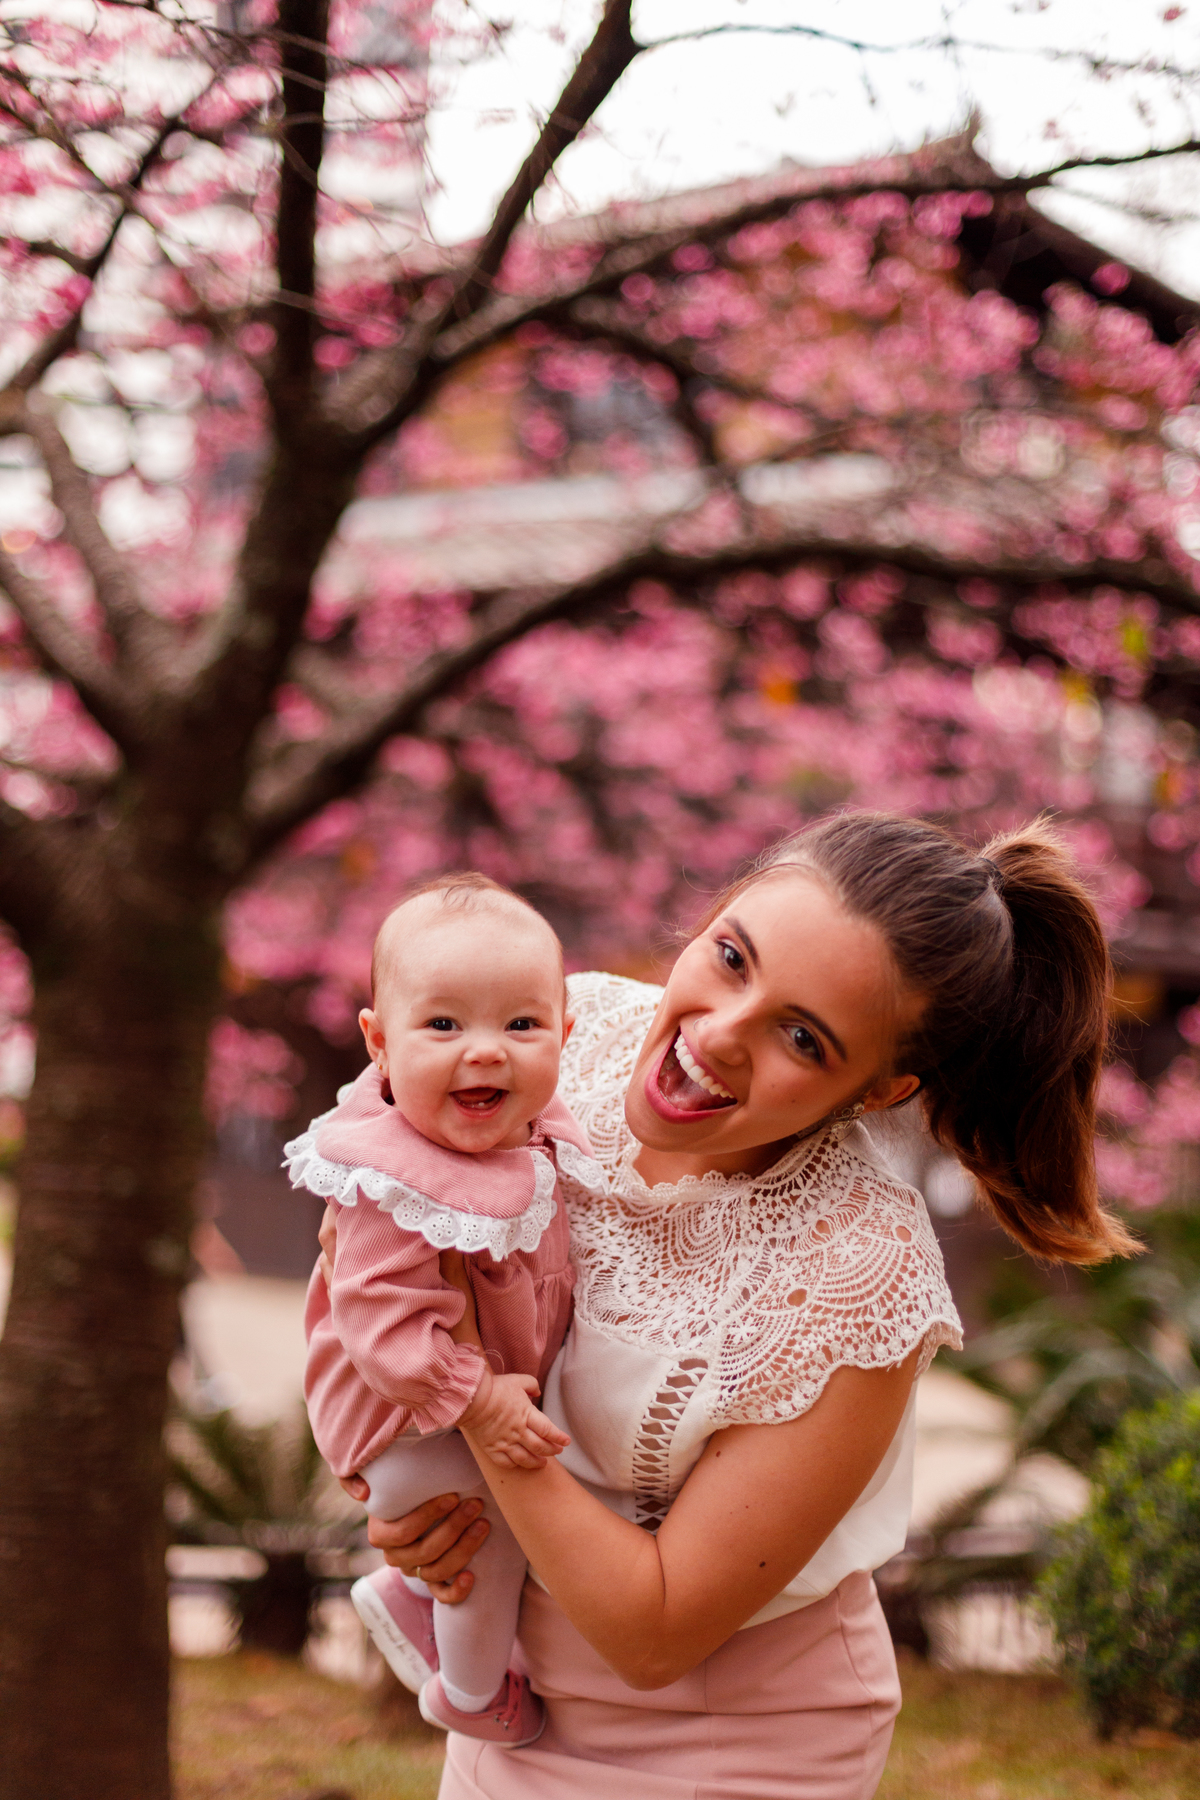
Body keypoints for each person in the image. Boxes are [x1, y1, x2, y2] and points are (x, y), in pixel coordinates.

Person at [332, 813, 1135, 1800]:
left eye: (803, 1037)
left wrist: (473, 1411)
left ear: (881, 1088)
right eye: (731, 957)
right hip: (509, 1700)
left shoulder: (862, 1270)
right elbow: (362, 1231)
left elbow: (655, 1631)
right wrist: (408, 1498)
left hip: (735, 1742)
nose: (717, 1037)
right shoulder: (552, 1042)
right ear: (711, 915)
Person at [288, 873, 593, 1746]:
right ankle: (468, 1692)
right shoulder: (390, 1181)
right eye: (445, 1024)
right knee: (488, 1544)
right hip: (412, 1415)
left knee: (510, 1527)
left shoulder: (527, 1138)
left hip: (456, 1405)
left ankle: (406, 1598)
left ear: (566, 1036)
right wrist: (479, 1396)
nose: (487, 1051)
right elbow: (383, 1326)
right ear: (380, 1044)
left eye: (522, 1025)